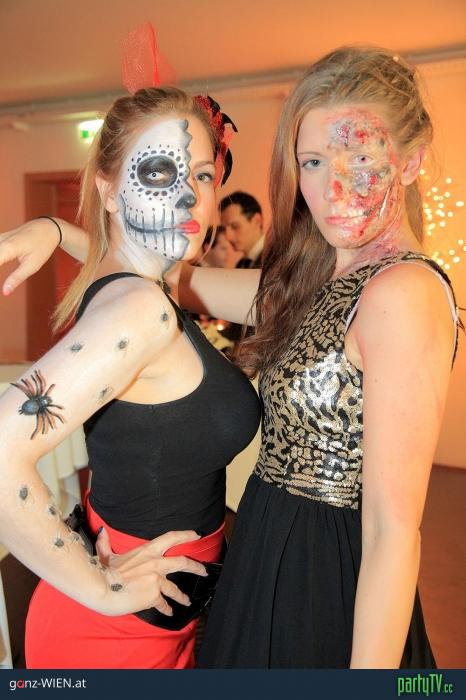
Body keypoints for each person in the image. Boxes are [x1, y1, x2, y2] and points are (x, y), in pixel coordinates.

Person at [0, 46, 461, 669]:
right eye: (313, 161)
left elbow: (392, 531)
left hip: (320, 572)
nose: (332, 189)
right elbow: (170, 275)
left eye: (359, 157)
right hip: (253, 561)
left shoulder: (401, 292)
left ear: (410, 161)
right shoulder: (318, 281)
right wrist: (58, 231)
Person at [0, 86, 260, 669]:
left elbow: (277, 296)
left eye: (202, 174)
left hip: (157, 618)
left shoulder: (145, 284)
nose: (190, 194)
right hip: (113, 638)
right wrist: (102, 588)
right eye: (161, 171)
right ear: (109, 191)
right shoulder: (141, 310)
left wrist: (57, 229)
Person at [220, 191, 264, 268]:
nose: (227, 237)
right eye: (224, 229)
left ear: (257, 221)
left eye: (235, 226)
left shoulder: (277, 259)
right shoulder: (240, 264)